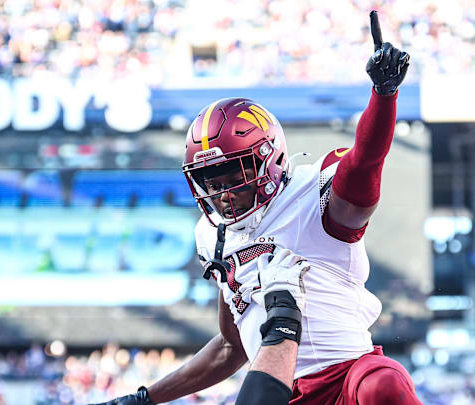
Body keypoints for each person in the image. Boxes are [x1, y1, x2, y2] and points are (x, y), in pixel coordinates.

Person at [95, 10, 420, 405]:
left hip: (347, 379)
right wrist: (146, 398)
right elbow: (231, 348)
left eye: (232, 173)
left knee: (383, 382)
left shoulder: (310, 192)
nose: (221, 190)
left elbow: (366, 162)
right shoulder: (210, 234)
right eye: (210, 179)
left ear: (269, 159)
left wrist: (383, 96)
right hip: (277, 392)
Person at [91, 248, 309, 405]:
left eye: (230, 181)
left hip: (333, 377)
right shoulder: (211, 232)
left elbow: (230, 347)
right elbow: (232, 345)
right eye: (213, 184)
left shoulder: (305, 196)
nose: (224, 195)